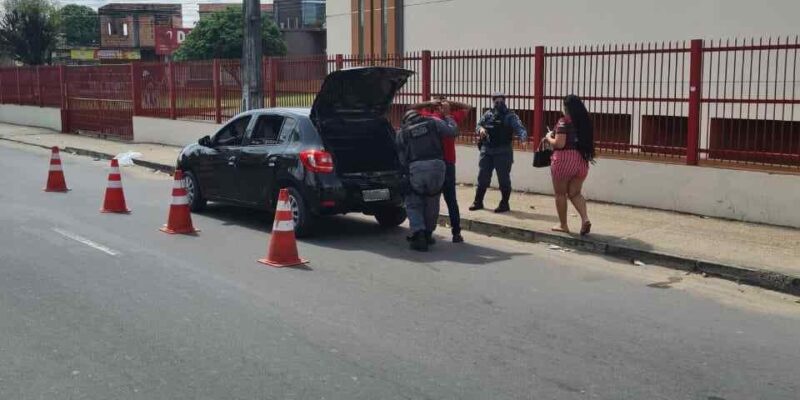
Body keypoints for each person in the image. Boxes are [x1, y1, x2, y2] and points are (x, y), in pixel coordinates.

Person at [408, 96, 470, 243]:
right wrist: (436, 105)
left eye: (442, 104)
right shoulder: (433, 117)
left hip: (442, 163)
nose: (440, 106)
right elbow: (411, 108)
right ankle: (431, 232)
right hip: (439, 163)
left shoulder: (444, 117)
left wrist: (446, 106)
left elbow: (467, 107)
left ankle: (449, 232)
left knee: (442, 199)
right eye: (438, 104)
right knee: (436, 200)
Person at [396, 109, 459, 251]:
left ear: (406, 120)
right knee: (433, 200)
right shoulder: (434, 122)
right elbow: (453, 131)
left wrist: (404, 175)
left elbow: (401, 158)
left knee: (413, 203)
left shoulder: (402, 132)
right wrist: (448, 116)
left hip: (416, 168)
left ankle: (419, 235)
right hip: (438, 167)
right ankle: (428, 234)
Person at [545, 94, 595, 235]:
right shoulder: (585, 121)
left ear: (566, 107)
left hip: (564, 160)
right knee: (575, 193)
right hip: (582, 161)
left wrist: (548, 137)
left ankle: (563, 225)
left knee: (560, 194)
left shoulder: (564, 121)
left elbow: (560, 144)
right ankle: (585, 219)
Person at [470, 92, 528, 213]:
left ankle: (504, 204)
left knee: (503, 179)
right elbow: (478, 125)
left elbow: (520, 128)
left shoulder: (510, 116)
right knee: (483, 177)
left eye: (501, 101)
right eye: (497, 101)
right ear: (493, 102)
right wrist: (481, 129)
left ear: (505, 101)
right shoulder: (488, 114)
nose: (499, 104)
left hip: (503, 151)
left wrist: (523, 139)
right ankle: (478, 202)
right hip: (487, 150)